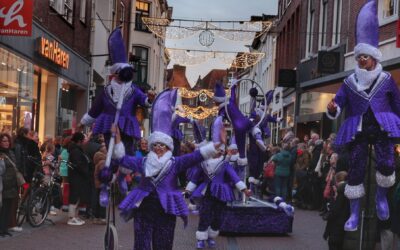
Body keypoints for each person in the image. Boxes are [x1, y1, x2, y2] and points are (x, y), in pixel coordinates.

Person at [101, 88, 221, 250]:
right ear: (151, 146)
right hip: (144, 207)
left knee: (163, 243)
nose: (158, 148)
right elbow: (123, 159)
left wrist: (214, 146)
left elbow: (195, 156)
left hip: (166, 208)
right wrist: (118, 139)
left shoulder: (175, 162)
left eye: (162, 145)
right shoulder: (143, 162)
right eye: (155, 145)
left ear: (168, 147)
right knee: (141, 243)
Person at [326, 0, 400, 232]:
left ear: (374, 58)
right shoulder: (349, 82)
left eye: (364, 57)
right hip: (358, 128)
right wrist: (332, 108)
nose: (360, 61)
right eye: (358, 57)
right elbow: (338, 102)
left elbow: (397, 102)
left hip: (381, 127)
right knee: (356, 170)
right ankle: (355, 213)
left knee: (387, 164)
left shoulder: (386, 79)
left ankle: (380, 198)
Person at [79, 27, 154, 156]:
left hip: (127, 126)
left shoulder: (133, 90)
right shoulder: (106, 91)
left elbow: (144, 100)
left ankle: (125, 172)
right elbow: (95, 109)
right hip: (110, 126)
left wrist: (150, 99)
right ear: (115, 74)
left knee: (127, 153)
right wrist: (83, 123)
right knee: (111, 153)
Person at [186, 145, 251, 249]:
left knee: (219, 216)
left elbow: (234, 177)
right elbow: (195, 178)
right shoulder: (202, 164)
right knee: (205, 215)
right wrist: (188, 190)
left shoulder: (225, 164)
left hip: (222, 192)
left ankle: (211, 237)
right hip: (207, 191)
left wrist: (244, 190)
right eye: (217, 150)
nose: (219, 152)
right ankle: (201, 239)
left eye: (221, 151)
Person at [67, 132, 91, 226]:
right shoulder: (76, 151)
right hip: (77, 177)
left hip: (77, 177)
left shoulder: (76, 149)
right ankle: (71, 217)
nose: (85, 141)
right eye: (83, 139)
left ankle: (75, 216)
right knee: (74, 196)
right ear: (79, 141)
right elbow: (78, 165)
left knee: (77, 196)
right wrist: (85, 172)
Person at [323, 171, 350, 250]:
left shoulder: (340, 192)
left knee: (334, 244)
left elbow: (335, 209)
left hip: (337, 226)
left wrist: (334, 197)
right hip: (342, 224)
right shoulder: (348, 190)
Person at [0, 133, 19, 236]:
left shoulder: (11, 152)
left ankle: (4, 228)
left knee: (8, 208)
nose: (6, 143)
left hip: (12, 185)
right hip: (3, 185)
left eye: (7, 141)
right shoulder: (0, 154)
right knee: (2, 208)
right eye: (3, 141)